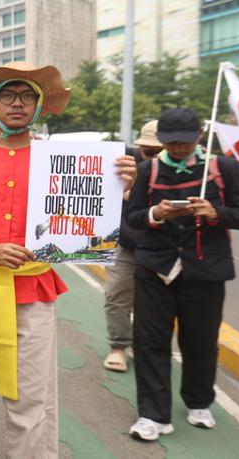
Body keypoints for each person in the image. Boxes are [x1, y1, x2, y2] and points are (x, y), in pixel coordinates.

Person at [0, 62, 136, 458]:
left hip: (34, 295)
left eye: (28, 96)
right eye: (8, 95)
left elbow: (89, 219)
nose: (17, 104)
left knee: (31, 404)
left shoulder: (61, 158)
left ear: (39, 106)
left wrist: (119, 186)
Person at [125, 107, 239, 442]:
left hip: (206, 270)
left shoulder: (222, 168)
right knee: (150, 341)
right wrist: (158, 213)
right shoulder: (147, 169)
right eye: (171, 142)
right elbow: (134, 216)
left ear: (199, 135)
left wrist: (215, 212)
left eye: (185, 141)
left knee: (200, 341)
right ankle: (152, 415)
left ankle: (199, 402)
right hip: (155, 268)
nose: (178, 148)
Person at [103, 120, 162, 373]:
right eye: (149, 152)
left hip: (161, 244)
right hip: (125, 241)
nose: (154, 158)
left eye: (161, 152)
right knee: (117, 293)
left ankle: (144, 344)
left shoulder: (177, 169)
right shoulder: (120, 158)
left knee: (155, 301)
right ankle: (118, 346)